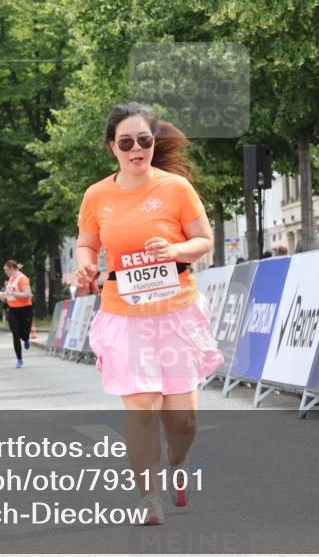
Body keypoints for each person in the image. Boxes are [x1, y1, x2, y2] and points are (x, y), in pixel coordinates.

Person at [75, 102, 222, 525]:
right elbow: (87, 243)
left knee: (182, 420)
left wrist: (174, 249)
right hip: (124, 313)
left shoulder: (175, 188)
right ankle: (147, 498)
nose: (137, 148)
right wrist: (86, 262)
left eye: (144, 140)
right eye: (127, 142)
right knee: (141, 410)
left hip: (175, 311)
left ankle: (178, 462)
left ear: (153, 144)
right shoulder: (97, 195)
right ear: (112, 148)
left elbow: (204, 240)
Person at [0, 260, 33, 368]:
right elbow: (8, 295)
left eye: (6, 270)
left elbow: (28, 294)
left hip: (25, 309)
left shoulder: (22, 279)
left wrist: (13, 293)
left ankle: (26, 339)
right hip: (13, 310)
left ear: (12, 268)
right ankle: (19, 359)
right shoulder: (11, 279)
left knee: (24, 333)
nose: (5, 273)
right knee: (15, 335)